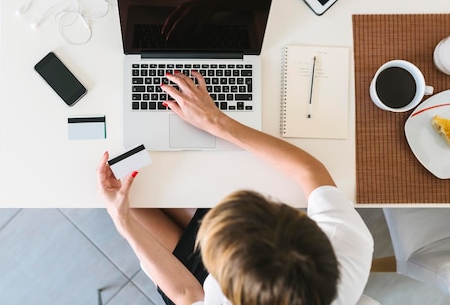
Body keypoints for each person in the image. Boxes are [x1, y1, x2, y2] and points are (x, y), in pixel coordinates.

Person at [97, 71, 373, 305]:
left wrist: (122, 221)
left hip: (195, 283)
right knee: (150, 185)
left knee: (131, 204)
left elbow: (188, 294)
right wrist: (216, 121)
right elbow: (309, 171)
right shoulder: (347, 242)